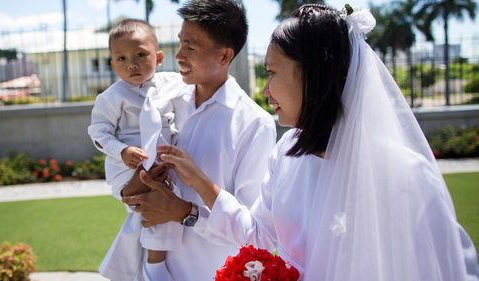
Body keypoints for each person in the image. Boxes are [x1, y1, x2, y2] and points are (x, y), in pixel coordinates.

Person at [141, 4, 479, 280]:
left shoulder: (406, 174)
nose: (265, 91)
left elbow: (451, 269)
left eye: (272, 73)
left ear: (314, 75)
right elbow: (259, 233)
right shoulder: (286, 154)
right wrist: (197, 182)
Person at [121, 0, 276, 280]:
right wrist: (135, 186)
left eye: (191, 47)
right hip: (153, 272)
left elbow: (251, 230)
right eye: (180, 43)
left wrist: (181, 211)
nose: (179, 55)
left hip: (212, 273)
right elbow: (136, 193)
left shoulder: (255, 125)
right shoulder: (160, 103)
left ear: (224, 56)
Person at [87, 19, 186, 281]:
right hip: (126, 166)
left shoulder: (173, 83)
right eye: (121, 58)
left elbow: (198, 89)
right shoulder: (111, 97)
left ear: (159, 57)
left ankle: (136, 269)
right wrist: (122, 151)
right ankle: (154, 268)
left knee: (155, 210)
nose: (131, 64)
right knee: (148, 206)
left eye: (141, 55)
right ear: (112, 64)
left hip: (161, 161)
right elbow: (98, 131)